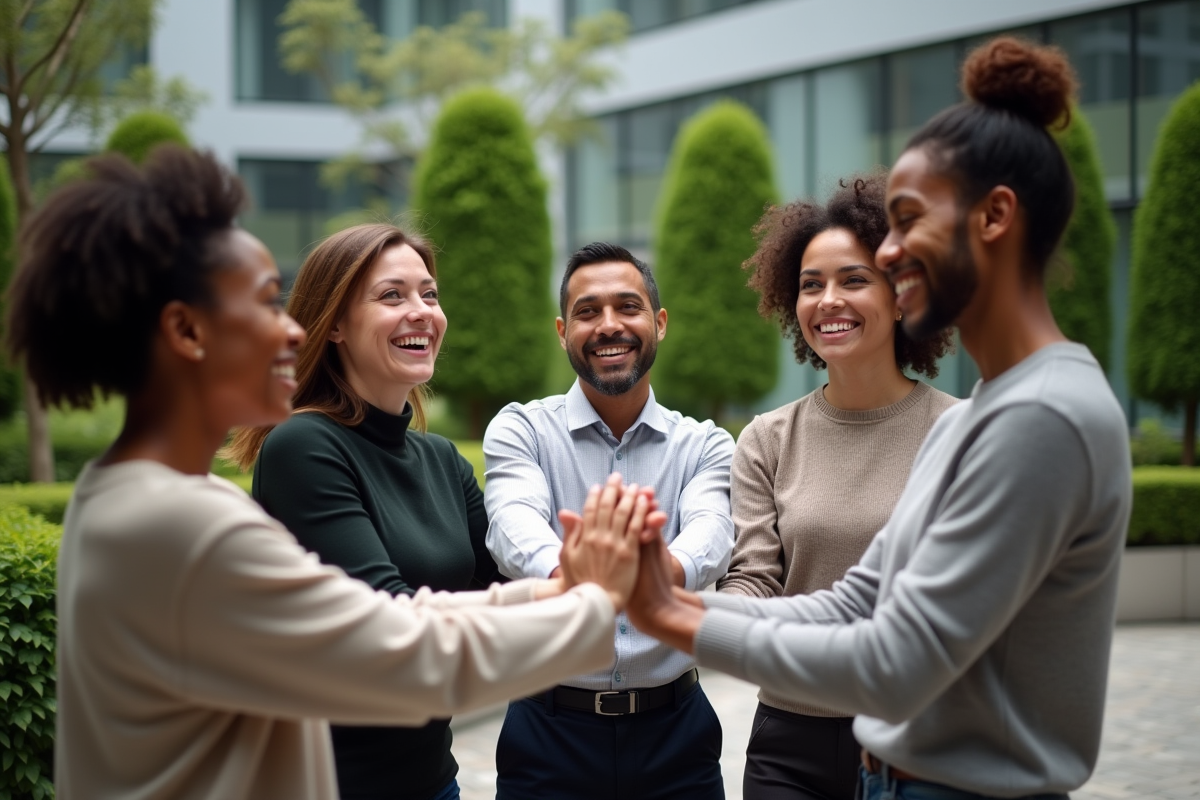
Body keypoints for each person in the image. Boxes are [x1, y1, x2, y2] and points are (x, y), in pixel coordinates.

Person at [3, 146, 655, 800]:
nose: (291, 330)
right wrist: (595, 601)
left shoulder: (122, 496)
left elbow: (424, 616)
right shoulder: (186, 521)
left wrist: (561, 584)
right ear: (186, 331)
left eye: (428, 293)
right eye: (265, 303)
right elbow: (399, 651)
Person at [626, 36, 1132, 800]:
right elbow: (854, 601)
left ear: (995, 216)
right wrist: (675, 596)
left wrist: (672, 618)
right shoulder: (985, 416)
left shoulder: (1045, 416)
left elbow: (895, 663)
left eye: (904, 221)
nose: (889, 253)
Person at [223, 224, 504, 800]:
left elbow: (504, 581)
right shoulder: (302, 447)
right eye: (391, 295)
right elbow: (391, 624)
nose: (422, 311)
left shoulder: (441, 459)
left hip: (432, 778)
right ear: (333, 327)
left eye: (429, 293)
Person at [718, 172, 956, 800]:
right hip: (788, 739)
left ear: (901, 293)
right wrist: (686, 602)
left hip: (919, 735)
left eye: (853, 279)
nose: (828, 300)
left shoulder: (961, 431)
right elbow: (755, 578)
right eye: (810, 285)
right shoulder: (766, 438)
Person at [483, 241, 734, 800]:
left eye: (628, 307)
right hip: (548, 733)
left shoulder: (706, 445)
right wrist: (573, 574)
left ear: (659, 322)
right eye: (588, 311)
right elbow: (512, 522)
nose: (609, 326)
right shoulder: (521, 430)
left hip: (677, 735)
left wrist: (657, 573)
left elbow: (711, 534)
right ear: (562, 330)